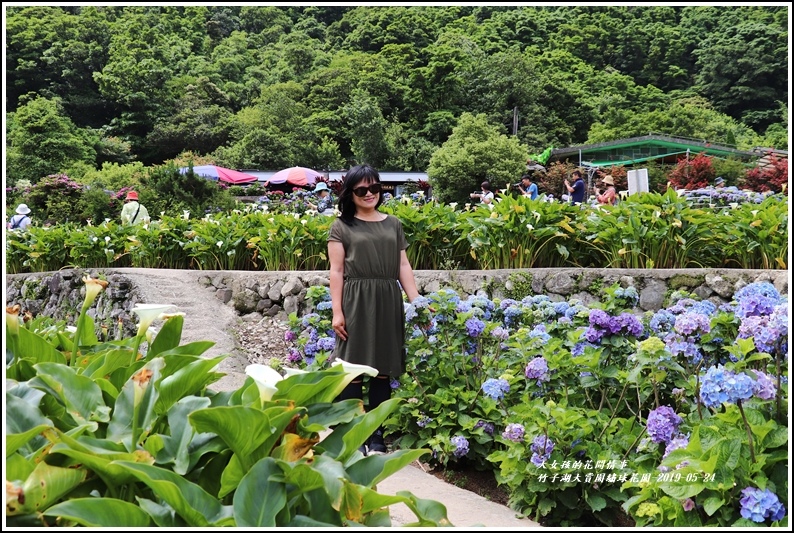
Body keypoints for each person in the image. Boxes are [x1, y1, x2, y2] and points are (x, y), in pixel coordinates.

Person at [328, 164, 421, 456]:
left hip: (386, 298)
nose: (369, 194)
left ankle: (377, 435)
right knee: (352, 369)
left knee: (382, 370)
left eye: (374, 188)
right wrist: (337, 312)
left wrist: (417, 302)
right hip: (356, 300)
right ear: (350, 194)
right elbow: (336, 270)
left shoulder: (393, 223)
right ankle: (355, 434)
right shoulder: (342, 226)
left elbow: (403, 265)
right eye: (361, 190)